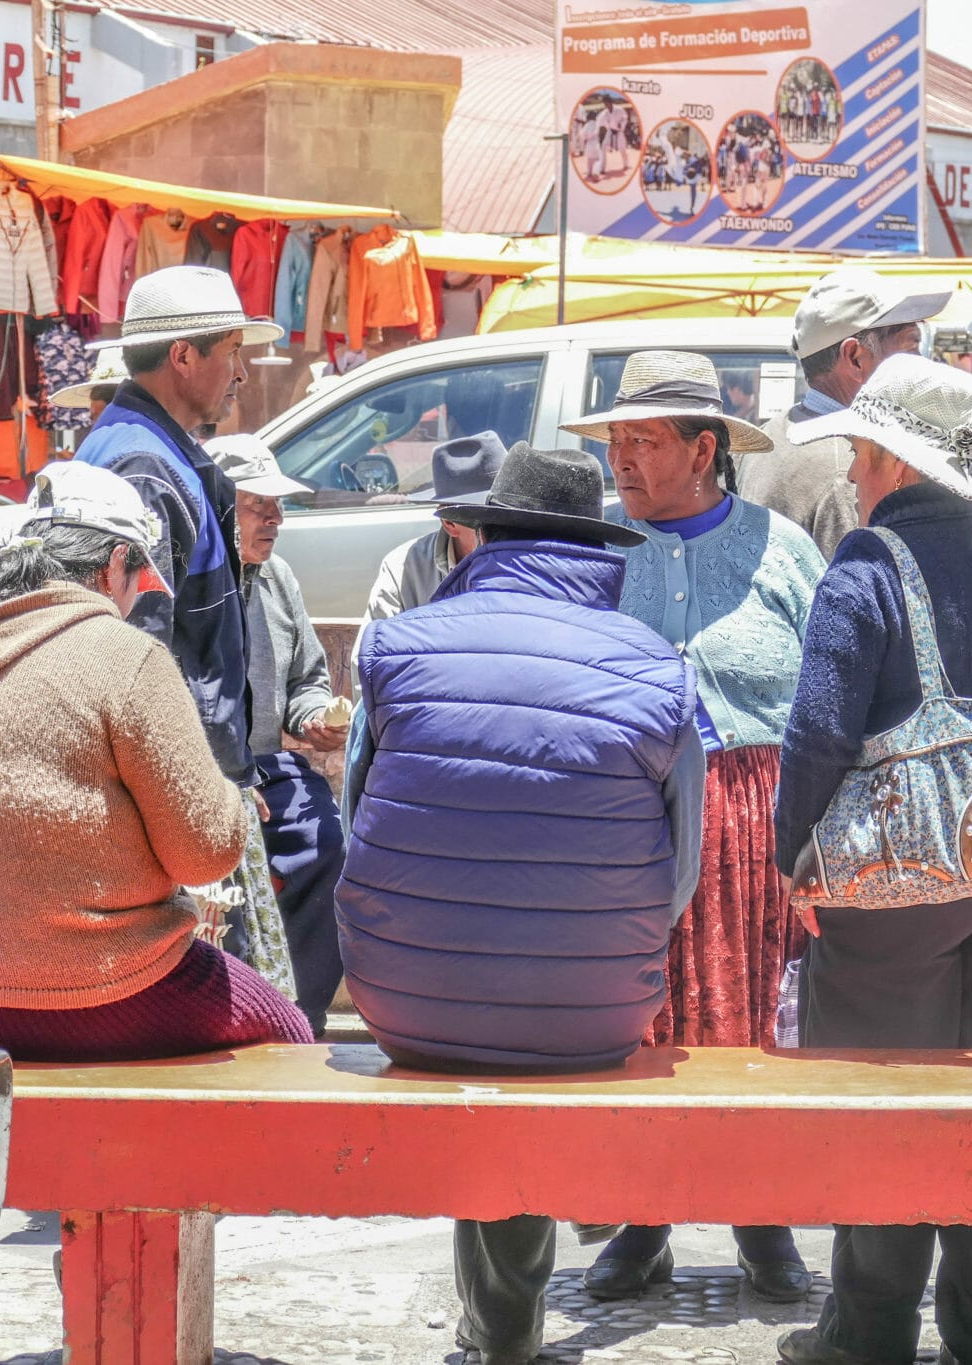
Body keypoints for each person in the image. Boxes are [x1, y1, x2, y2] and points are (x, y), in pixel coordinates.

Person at [336, 443, 703, 1365]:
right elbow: (682, 871)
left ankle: (498, 1327)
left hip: (402, 991)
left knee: (482, 1000)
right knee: (534, 1013)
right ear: (599, 551)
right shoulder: (659, 668)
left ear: (480, 538)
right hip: (596, 1003)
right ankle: (504, 1324)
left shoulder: (397, 643)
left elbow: (355, 822)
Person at [771, 354, 972, 1365]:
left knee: (883, 1104)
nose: (853, 476)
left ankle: (867, 1333)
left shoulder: (871, 562)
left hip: (905, 882)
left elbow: (818, 735)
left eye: (860, 456)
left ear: (892, 460)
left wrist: (796, 863)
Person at [0, 461, 311, 1060]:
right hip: (96, 991)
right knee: (288, 1032)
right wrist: (231, 797)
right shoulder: (126, 657)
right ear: (113, 565)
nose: (135, 603)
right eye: (139, 581)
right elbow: (205, 851)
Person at [563, 351, 824, 1304]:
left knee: (750, 1021)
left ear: (704, 449)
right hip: (632, 825)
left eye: (643, 441)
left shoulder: (784, 552)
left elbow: (830, 696)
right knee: (644, 1016)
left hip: (755, 825)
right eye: (616, 441)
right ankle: (645, 1213)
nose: (621, 459)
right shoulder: (597, 555)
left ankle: (761, 1210)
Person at [76, 265, 283, 788]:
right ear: (184, 356)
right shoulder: (144, 467)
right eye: (233, 351)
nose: (242, 373)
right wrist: (202, 793)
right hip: (179, 784)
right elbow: (137, 663)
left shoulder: (148, 450)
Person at [206, 432, 348, 1039]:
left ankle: (302, 1017)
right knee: (228, 866)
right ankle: (234, 1016)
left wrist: (313, 717)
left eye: (279, 505)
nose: (275, 518)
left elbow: (306, 678)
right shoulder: (193, 584)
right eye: (257, 504)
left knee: (330, 846)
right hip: (205, 771)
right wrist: (226, 778)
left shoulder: (277, 577)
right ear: (217, 505)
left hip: (269, 766)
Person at [736, 269, 947, 559]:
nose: (922, 366)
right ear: (855, 358)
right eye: (911, 349)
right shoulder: (853, 470)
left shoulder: (772, 432)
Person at [364, 430, 505, 624]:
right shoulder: (403, 568)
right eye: (489, 524)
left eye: (510, 516)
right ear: (449, 523)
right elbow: (374, 649)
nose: (506, 531)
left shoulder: (532, 560)